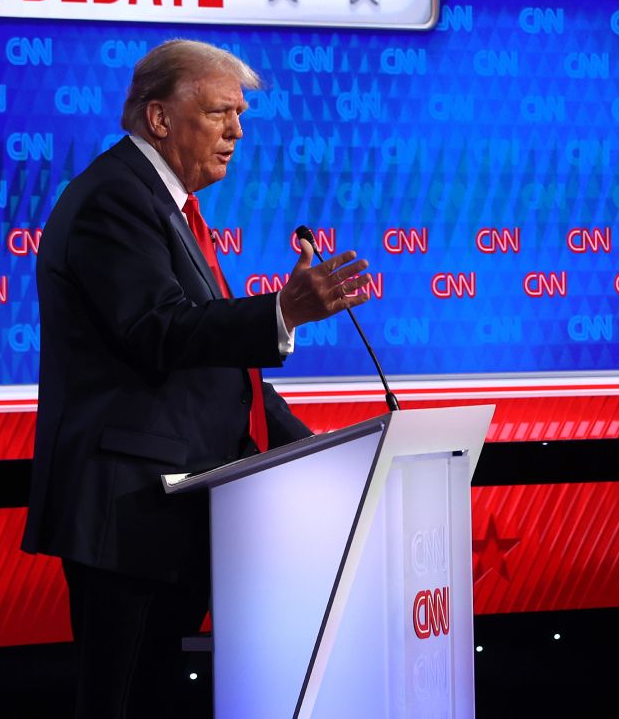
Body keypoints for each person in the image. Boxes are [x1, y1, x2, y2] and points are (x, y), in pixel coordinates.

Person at [21, 39, 372, 718]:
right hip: (127, 513)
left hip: (168, 512)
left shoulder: (162, 205)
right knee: (122, 704)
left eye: (240, 114)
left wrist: (324, 451)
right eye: (219, 112)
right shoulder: (114, 200)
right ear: (159, 117)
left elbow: (220, 371)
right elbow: (158, 330)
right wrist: (281, 311)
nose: (237, 130)